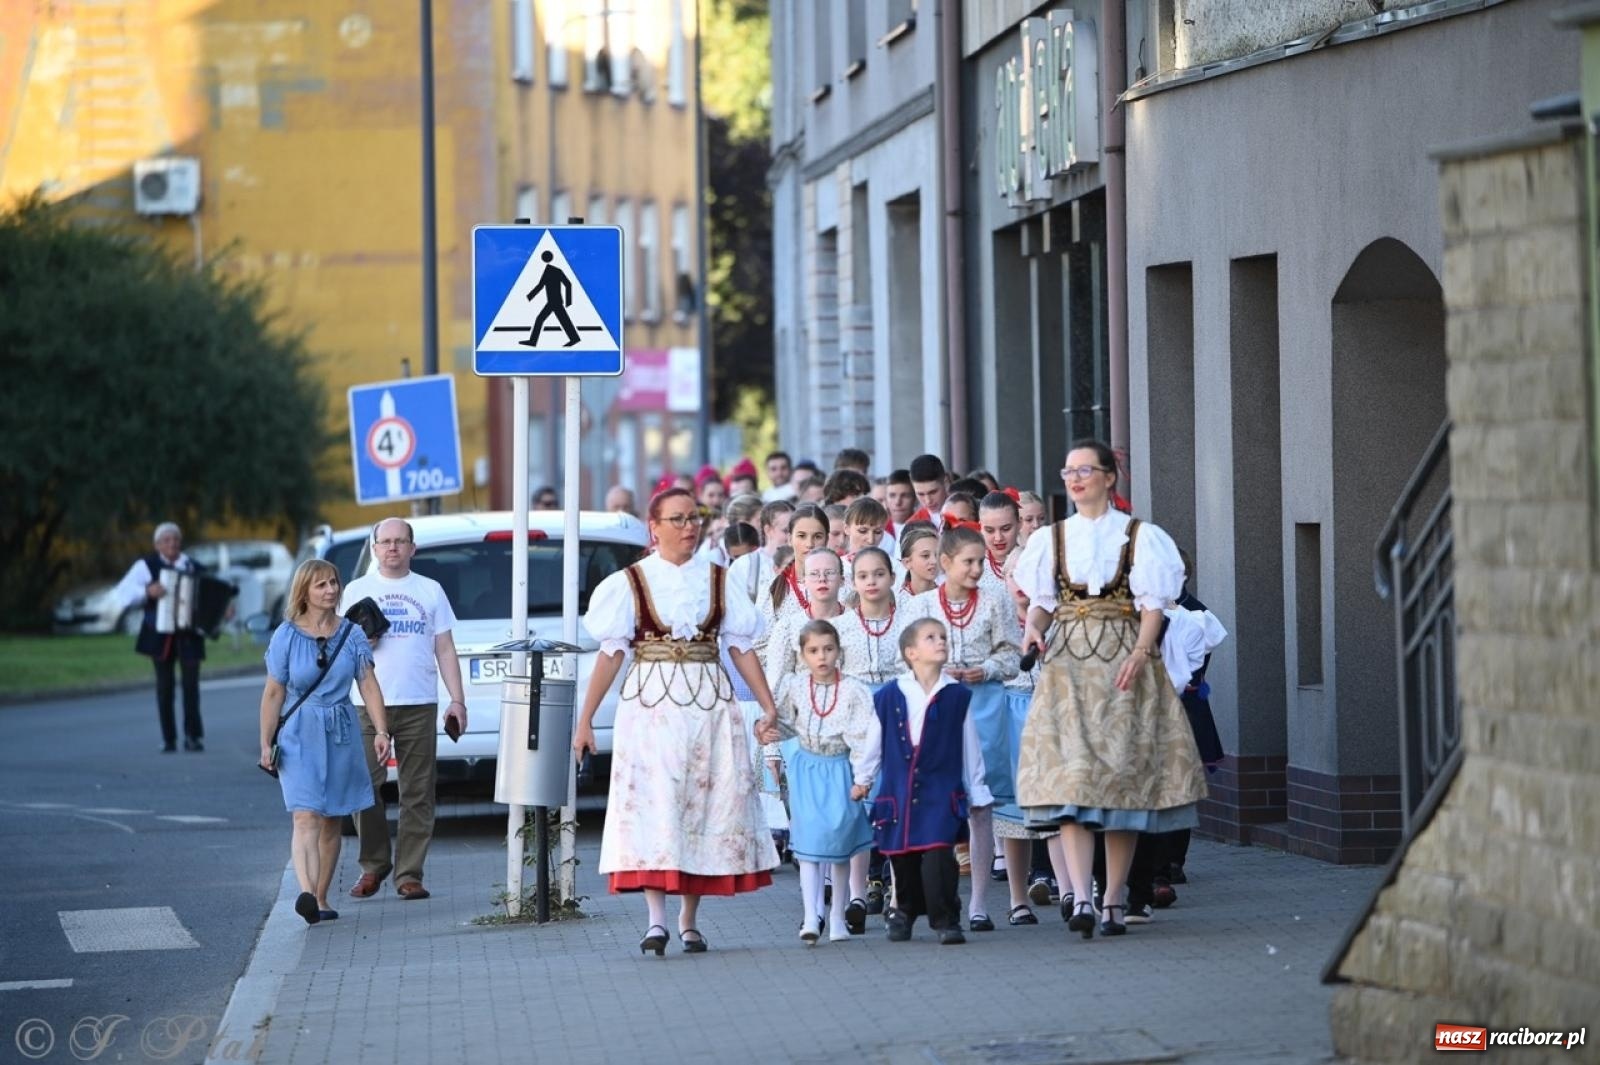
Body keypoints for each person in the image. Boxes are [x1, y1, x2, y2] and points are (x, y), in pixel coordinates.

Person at [574, 488, 781, 956]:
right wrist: (584, 720)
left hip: (708, 704)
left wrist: (767, 706)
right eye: (678, 519)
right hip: (651, 707)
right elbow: (610, 655)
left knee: (702, 805)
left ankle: (689, 920)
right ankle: (656, 921)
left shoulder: (718, 579)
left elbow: (741, 647)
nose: (689, 527)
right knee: (657, 803)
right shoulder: (629, 582)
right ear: (655, 527)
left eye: (694, 518)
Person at [1014, 439, 1207, 939]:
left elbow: (1153, 606)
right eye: (1068, 471)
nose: (1075, 479)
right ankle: (1080, 894)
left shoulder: (1140, 537)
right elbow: (1042, 601)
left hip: (1123, 660)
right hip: (1069, 667)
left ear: (1108, 477)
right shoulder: (1052, 539)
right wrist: (1033, 626)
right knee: (1072, 781)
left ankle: (1115, 897)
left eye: (1085, 470)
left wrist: (1143, 654)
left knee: (1119, 784)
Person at [258, 560, 391, 926]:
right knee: (305, 814)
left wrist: (381, 731)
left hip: (342, 730)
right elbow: (273, 693)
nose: (331, 590)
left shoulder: (352, 635)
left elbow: (368, 686)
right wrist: (265, 742)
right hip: (299, 730)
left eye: (334, 582)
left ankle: (319, 896)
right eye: (321, 585)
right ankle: (305, 892)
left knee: (332, 818)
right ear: (304, 591)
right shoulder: (285, 635)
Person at [341, 518, 468, 902]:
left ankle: (409, 873)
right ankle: (373, 865)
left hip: (417, 701)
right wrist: (361, 638)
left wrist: (457, 700)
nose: (393, 548)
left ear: (413, 548)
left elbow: (444, 648)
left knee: (417, 792)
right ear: (374, 547)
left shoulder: (430, 590)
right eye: (385, 541)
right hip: (366, 703)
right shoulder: (355, 590)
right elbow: (337, 645)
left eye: (400, 541)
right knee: (365, 788)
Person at [905, 524, 1021, 933]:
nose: (975, 569)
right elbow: (903, 659)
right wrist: (934, 670)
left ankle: (978, 904)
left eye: (979, 561)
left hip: (983, 706)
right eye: (968, 562)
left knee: (981, 806)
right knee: (935, 802)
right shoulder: (918, 606)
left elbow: (1012, 655)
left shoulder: (995, 602)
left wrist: (984, 668)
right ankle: (936, 897)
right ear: (945, 562)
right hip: (935, 711)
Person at [872, 618, 990, 945]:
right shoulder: (889, 695)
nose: (940, 642)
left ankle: (946, 918)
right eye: (930, 638)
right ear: (911, 652)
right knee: (903, 855)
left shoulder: (956, 695)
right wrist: (863, 777)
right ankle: (905, 911)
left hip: (941, 790)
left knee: (940, 852)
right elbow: (874, 739)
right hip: (899, 790)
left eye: (943, 637)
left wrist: (977, 788)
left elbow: (970, 745)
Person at [772, 620, 881, 944]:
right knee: (809, 842)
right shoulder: (794, 686)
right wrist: (769, 730)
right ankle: (810, 915)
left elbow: (865, 737)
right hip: (807, 768)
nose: (822, 657)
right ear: (802, 654)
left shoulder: (854, 690)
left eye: (828, 649)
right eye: (814, 651)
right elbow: (786, 723)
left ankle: (837, 917)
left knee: (840, 840)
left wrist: (863, 778)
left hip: (839, 768)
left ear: (839, 651)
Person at [114, 522, 209, 752]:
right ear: (157, 545)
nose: (172, 544)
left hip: (189, 636)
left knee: (191, 687)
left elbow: (209, 596)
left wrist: (223, 609)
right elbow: (122, 594)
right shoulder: (145, 566)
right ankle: (169, 738)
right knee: (164, 688)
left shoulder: (193, 566)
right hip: (159, 636)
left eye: (175, 539)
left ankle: (192, 736)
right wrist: (147, 591)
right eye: (166, 540)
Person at [898, 524, 941, 605]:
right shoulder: (897, 602)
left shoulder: (947, 598)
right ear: (907, 563)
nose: (934, 561)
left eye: (937, 555)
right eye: (925, 556)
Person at [907, 454, 950, 528]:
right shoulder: (911, 526)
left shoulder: (967, 514)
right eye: (921, 494)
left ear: (945, 482)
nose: (928, 501)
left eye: (933, 492)